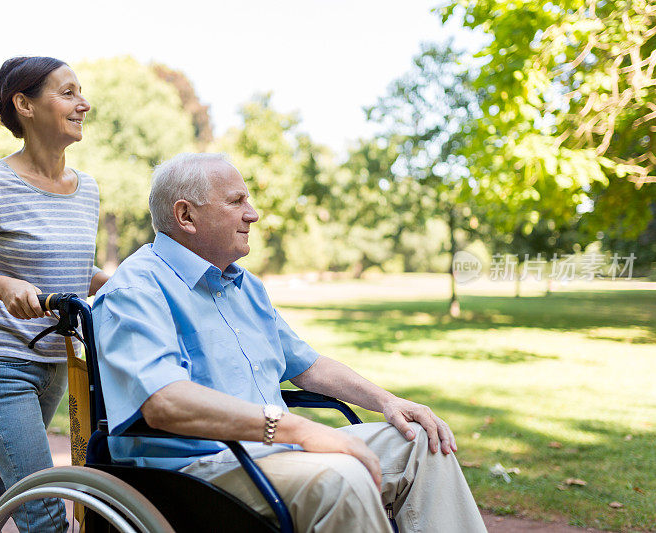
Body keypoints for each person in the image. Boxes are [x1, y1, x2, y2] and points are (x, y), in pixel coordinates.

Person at [92, 153, 487, 532]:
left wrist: (389, 402)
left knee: (424, 443)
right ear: (186, 216)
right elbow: (164, 402)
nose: (253, 213)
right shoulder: (138, 288)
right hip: (197, 471)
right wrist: (297, 429)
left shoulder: (244, 286)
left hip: (274, 452)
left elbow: (309, 366)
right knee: (343, 476)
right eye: (236, 201)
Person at [0, 56, 109, 533]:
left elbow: (67, 265)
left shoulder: (86, 189)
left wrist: (113, 282)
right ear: (24, 104)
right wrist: (2, 286)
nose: (83, 104)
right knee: (45, 512)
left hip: (56, 362)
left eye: (80, 93)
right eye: (67, 93)